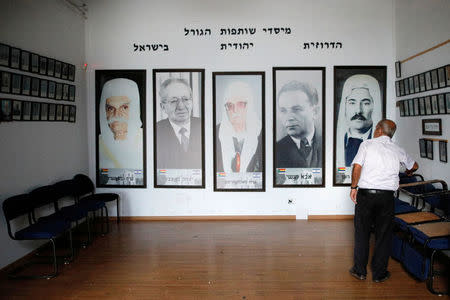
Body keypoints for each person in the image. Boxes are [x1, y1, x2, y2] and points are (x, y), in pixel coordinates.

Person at [349, 119, 418, 283]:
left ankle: (360, 271)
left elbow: (357, 166)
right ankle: (379, 274)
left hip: (366, 195)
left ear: (379, 129)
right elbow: (414, 166)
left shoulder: (366, 145)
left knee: (362, 234)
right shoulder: (397, 149)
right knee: (383, 236)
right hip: (387, 198)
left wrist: (353, 187)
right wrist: (408, 171)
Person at [336, 74, 382, 169]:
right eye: (352, 103)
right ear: (345, 106)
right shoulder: (336, 143)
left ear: (374, 106)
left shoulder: (382, 146)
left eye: (365, 103)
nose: (358, 110)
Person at [216, 80, 262, 173]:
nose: (235, 110)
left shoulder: (262, 134)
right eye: (230, 105)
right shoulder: (214, 134)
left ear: (249, 105)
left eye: (240, 104)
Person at [156, 78, 202, 169]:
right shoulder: (155, 131)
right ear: (163, 107)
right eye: (173, 101)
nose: (181, 106)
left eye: (185, 99)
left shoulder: (206, 126)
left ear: (191, 102)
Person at [98, 78, 143, 171]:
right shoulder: (99, 143)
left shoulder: (146, 140)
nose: (116, 115)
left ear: (135, 109)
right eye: (110, 108)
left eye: (124, 107)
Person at [275, 80, 322, 168]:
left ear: (315, 112)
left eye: (296, 109)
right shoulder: (275, 150)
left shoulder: (329, 145)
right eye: (283, 111)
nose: (289, 117)